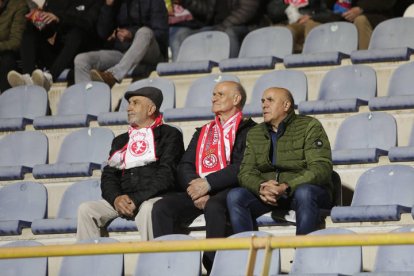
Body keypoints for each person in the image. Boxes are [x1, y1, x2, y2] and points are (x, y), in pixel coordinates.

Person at [151, 81, 256, 272]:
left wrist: (209, 184)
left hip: (229, 189)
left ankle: (212, 266)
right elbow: (184, 165)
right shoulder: (204, 131)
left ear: (236, 99)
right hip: (198, 190)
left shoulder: (251, 131)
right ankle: (168, 268)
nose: (213, 97)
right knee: (161, 207)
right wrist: (197, 188)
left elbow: (242, 167)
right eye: (213, 94)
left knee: (215, 205)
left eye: (220, 94)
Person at [76, 86, 184, 241]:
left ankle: (152, 260)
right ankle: (89, 263)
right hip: (124, 198)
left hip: (154, 197)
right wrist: (116, 198)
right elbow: (109, 175)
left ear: (150, 109)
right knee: (86, 210)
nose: (129, 108)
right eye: (129, 103)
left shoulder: (169, 134)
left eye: (135, 103)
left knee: (149, 209)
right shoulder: (121, 140)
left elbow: (167, 175)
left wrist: (136, 198)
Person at [227, 87, 333, 236]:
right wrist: (261, 187)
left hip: (301, 191)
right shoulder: (255, 133)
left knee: (305, 193)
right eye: (263, 101)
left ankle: (303, 254)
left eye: (270, 100)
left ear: (286, 106)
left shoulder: (310, 126)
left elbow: (321, 168)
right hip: (270, 194)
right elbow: (245, 172)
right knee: (235, 196)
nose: (264, 105)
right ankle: (248, 254)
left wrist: (286, 186)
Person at [7, 0, 102, 91]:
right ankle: (29, 77)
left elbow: (89, 24)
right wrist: (38, 20)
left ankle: (49, 78)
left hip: (79, 56)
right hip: (57, 55)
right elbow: (49, 32)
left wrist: (60, 18)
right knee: (28, 28)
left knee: (76, 34)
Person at [73, 0, 168, 87]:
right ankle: (85, 102)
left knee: (144, 32)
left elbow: (161, 33)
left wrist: (132, 34)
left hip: (151, 52)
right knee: (81, 60)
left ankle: (113, 75)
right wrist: (108, 6)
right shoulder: (117, 3)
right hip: (123, 53)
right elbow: (102, 33)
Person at [169, 0, 265, 61]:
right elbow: (206, 12)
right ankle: (180, 74)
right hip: (215, 28)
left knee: (229, 33)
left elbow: (246, 10)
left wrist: (222, 27)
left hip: (246, 28)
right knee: (181, 34)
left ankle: (228, 71)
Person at [0, 0, 28, 93]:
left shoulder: (18, 5)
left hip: (9, 53)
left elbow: (16, 41)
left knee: (6, 60)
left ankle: (8, 102)